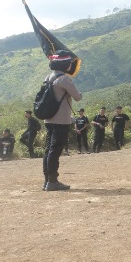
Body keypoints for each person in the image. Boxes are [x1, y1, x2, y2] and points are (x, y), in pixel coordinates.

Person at [42, 50, 83, 191]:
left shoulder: (48, 77)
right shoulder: (64, 79)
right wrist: (80, 94)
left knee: (48, 150)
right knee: (55, 149)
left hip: (49, 119)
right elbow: (77, 96)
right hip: (61, 120)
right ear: (65, 64)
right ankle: (53, 182)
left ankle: (47, 180)